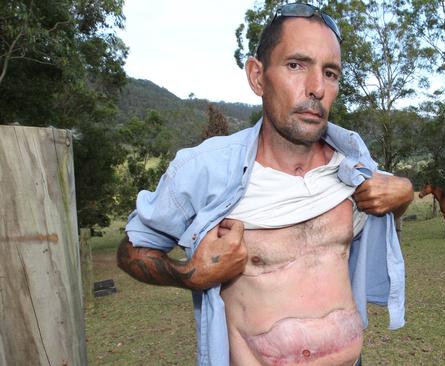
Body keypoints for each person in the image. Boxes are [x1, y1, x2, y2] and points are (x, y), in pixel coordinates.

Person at [117, 3, 413, 365]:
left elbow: (385, 210)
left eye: (330, 72)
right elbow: (131, 250)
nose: (316, 88)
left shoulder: (353, 165)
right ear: (258, 76)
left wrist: (404, 195)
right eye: (295, 65)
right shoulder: (206, 171)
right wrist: (189, 275)